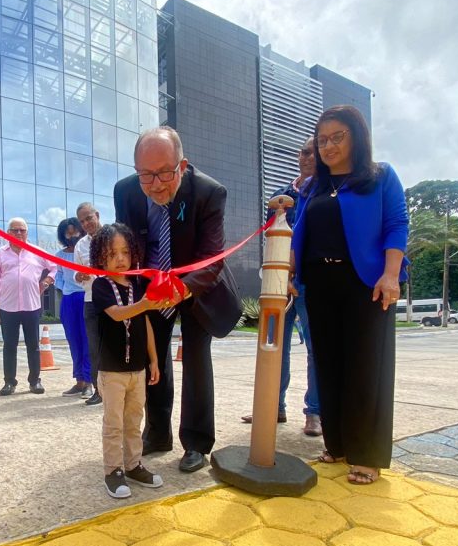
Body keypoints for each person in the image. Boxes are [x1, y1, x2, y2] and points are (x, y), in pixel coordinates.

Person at [290, 105, 408, 485]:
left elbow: (396, 224)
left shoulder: (380, 177)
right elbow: (299, 233)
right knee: (328, 365)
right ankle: (337, 446)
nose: (327, 146)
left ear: (357, 137)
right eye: (322, 139)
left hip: (366, 284)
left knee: (365, 369)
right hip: (320, 284)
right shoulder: (314, 187)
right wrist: (288, 274)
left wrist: (391, 275)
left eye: (337, 137)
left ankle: (366, 455)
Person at [114, 127, 242, 473]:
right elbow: (125, 244)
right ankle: (157, 433)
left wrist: (181, 288)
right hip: (152, 286)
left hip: (195, 286)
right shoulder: (125, 192)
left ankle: (197, 442)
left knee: (197, 357)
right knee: (151, 356)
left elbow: (212, 257)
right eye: (146, 175)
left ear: (182, 165)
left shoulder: (208, 192)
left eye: (164, 173)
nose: (155, 184)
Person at [241, 138, 322, 436]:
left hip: (311, 281)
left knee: (314, 348)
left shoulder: (327, 193)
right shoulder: (280, 197)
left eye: (315, 152)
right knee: (275, 344)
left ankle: (314, 412)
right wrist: (280, 275)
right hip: (278, 281)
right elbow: (270, 239)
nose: (309, 157)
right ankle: (273, 406)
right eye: (304, 151)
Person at [90, 223, 164, 498]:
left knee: (134, 420)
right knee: (114, 423)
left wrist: (154, 360)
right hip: (112, 372)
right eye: (112, 254)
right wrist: (144, 304)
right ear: (100, 258)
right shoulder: (101, 286)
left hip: (137, 370)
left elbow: (146, 325)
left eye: (124, 252)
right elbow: (118, 314)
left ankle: (133, 465)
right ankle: (112, 471)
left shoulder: (137, 284)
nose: (120, 259)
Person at [0, 217, 56, 395]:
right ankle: (9, 382)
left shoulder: (37, 252)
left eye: (22, 230)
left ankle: (35, 381)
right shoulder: (0, 253)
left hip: (31, 306)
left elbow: (54, 267)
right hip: (8, 307)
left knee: (33, 345)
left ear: (27, 233)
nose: (18, 233)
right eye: (14, 230)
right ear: (8, 232)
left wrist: (47, 280)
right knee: (9, 346)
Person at [55, 216, 92, 398]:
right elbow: (58, 276)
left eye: (74, 231)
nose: (71, 235)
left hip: (86, 297)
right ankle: (79, 381)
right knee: (73, 340)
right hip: (69, 299)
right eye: (67, 232)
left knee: (87, 340)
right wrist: (65, 288)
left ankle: (89, 382)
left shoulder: (86, 250)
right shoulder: (60, 255)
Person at [74, 202, 104, 405]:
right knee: (94, 348)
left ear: (97, 215)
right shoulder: (80, 245)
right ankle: (99, 391)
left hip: (115, 299)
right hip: (91, 300)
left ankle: (120, 390)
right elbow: (76, 274)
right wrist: (80, 275)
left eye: (89, 218)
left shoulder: (115, 235)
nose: (86, 223)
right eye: (82, 221)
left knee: (119, 345)